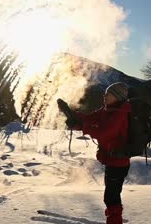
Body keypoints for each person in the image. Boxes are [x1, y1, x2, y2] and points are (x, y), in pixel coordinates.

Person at [59, 82, 131, 224]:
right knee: (112, 196)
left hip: (119, 162)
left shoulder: (121, 113)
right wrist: (73, 116)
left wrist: (84, 127)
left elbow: (105, 133)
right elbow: (90, 118)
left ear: (117, 96)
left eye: (108, 94)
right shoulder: (107, 109)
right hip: (111, 160)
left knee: (111, 197)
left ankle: (115, 221)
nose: (104, 96)